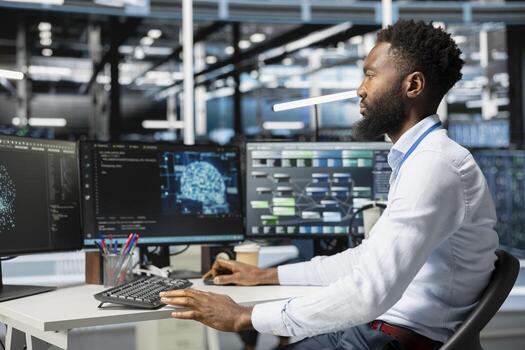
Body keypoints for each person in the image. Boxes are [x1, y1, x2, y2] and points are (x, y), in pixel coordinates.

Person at [159, 20, 499, 350]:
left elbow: (369, 292)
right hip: (378, 331)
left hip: (392, 339)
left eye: (370, 74)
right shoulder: (420, 159)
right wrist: (266, 276)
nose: (360, 89)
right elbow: (366, 260)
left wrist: (245, 316)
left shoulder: (433, 166)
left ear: (412, 85)